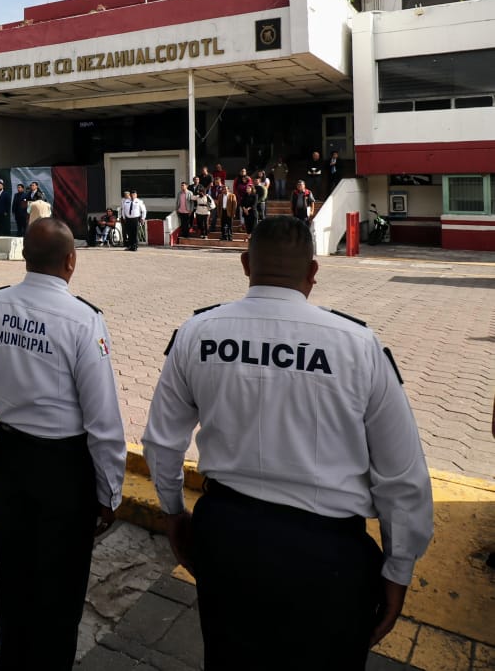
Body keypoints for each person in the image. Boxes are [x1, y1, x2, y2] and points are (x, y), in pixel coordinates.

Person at [142, 217, 434, 669]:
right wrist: (398, 570)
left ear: (245, 264)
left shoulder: (198, 333)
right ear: (313, 272)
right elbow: (402, 476)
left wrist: (174, 512)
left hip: (227, 540)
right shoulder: (358, 346)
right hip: (326, 560)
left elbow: (162, 442)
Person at [0, 218, 125, 668]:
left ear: (24, 258)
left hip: (11, 459)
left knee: (14, 581)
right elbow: (104, 421)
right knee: (61, 589)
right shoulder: (83, 320)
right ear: (71, 262)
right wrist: (109, 492)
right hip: (64, 470)